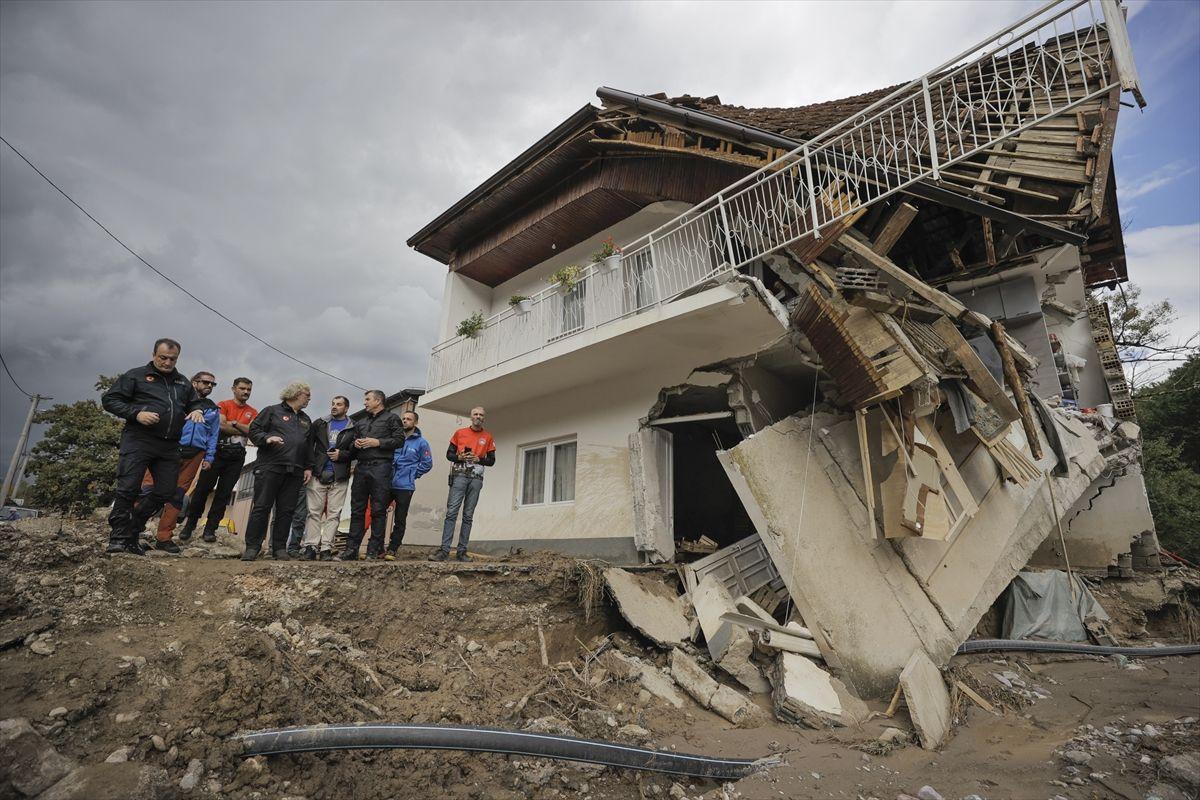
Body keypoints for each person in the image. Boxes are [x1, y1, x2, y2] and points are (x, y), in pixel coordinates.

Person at [101, 338, 207, 555]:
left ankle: (132, 530)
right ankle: (119, 538)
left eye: (172, 359)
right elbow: (110, 400)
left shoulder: (182, 382)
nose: (168, 363)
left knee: (166, 491)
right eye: (163, 358)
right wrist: (136, 414)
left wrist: (197, 410)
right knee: (129, 488)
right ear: (153, 355)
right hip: (139, 439)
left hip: (169, 445)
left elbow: (195, 402)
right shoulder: (136, 375)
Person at [136, 371, 221, 553]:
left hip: (195, 454)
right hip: (169, 449)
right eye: (205, 382)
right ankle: (131, 531)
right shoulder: (177, 398)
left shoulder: (213, 408)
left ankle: (164, 538)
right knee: (148, 489)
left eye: (213, 384)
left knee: (177, 495)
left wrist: (209, 457)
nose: (209, 386)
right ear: (194, 382)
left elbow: (214, 434)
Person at [180, 377, 257, 543]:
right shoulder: (223, 404)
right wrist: (240, 427)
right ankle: (189, 525)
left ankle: (210, 529)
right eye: (242, 388)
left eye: (248, 390)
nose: (246, 392)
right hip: (218, 451)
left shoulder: (253, 411)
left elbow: (253, 431)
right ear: (234, 388)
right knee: (202, 490)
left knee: (224, 493)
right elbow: (220, 426)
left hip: (237, 455)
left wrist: (235, 424)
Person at [243, 382, 313, 561]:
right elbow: (254, 430)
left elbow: (307, 446)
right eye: (307, 394)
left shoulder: (306, 419)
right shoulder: (272, 411)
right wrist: (266, 438)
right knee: (261, 507)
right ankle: (252, 547)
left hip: (295, 471)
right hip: (270, 466)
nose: (309, 398)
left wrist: (307, 467)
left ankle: (279, 548)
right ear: (296, 394)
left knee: (286, 510)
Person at [335, 389, 402, 561]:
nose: (364, 402)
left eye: (367, 399)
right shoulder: (361, 422)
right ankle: (351, 550)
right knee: (357, 510)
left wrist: (377, 442)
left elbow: (399, 440)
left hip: (381, 467)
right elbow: (352, 449)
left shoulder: (392, 418)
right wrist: (355, 444)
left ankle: (373, 550)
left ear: (378, 401)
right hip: (361, 468)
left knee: (378, 510)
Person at [431, 406, 495, 562]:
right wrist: (461, 457)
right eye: (475, 414)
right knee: (452, 512)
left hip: (476, 479)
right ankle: (444, 550)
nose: (478, 416)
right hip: (459, 476)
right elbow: (449, 455)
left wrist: (479, 459)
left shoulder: (488, 437)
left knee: (468, 515)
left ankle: (462, 551)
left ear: (484, 418)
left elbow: (492, 461)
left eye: (481, 414)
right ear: (471, 416)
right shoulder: (460, 433)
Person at [299, 395, 357, 560]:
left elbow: (355, 451)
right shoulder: (320, 423)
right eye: (333, 404)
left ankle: (326, 549)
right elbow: (309, 446)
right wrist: (309, 467)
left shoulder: (353, 427)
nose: (334, 407)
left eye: (339, 404)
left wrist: (342, 454)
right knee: (313, 513)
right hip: (318, 474)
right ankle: (310, 547)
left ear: (346, 408)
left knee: (334, 514)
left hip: (339, 477)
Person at [385, 410, 433, 560]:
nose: (405, 421)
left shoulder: (421, 443)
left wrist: (413, 474)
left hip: (405, 486)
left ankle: (393, 548)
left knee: (400, 518)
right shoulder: (394, 439)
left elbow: (427, 464)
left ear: (415, 422)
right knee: (379, 513)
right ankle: (376, 546)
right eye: (403, 418)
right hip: (387, 482)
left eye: (408, 419)